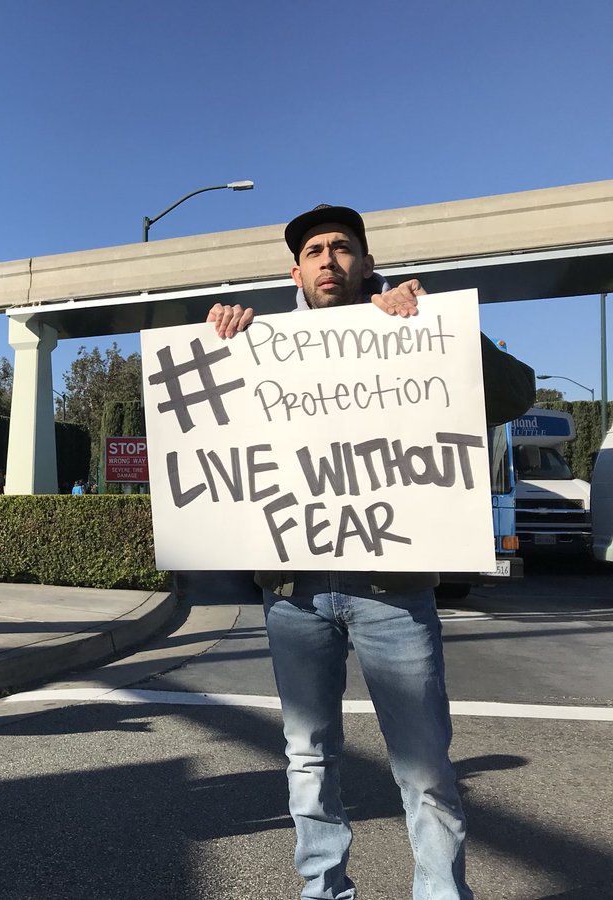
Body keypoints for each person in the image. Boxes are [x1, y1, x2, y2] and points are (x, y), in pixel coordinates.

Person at [207, 204, 534, 900]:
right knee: (306, 757)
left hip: (393, 588)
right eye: (315, 250)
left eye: (343, 247)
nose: (329, 259)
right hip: (294, 593)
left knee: (423, 766)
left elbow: (514, 392)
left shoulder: (410, 328)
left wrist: (438, 330)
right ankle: (322, 892)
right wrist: (220, 341)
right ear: (294, 270)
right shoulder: (260, 342)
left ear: (365, 260)